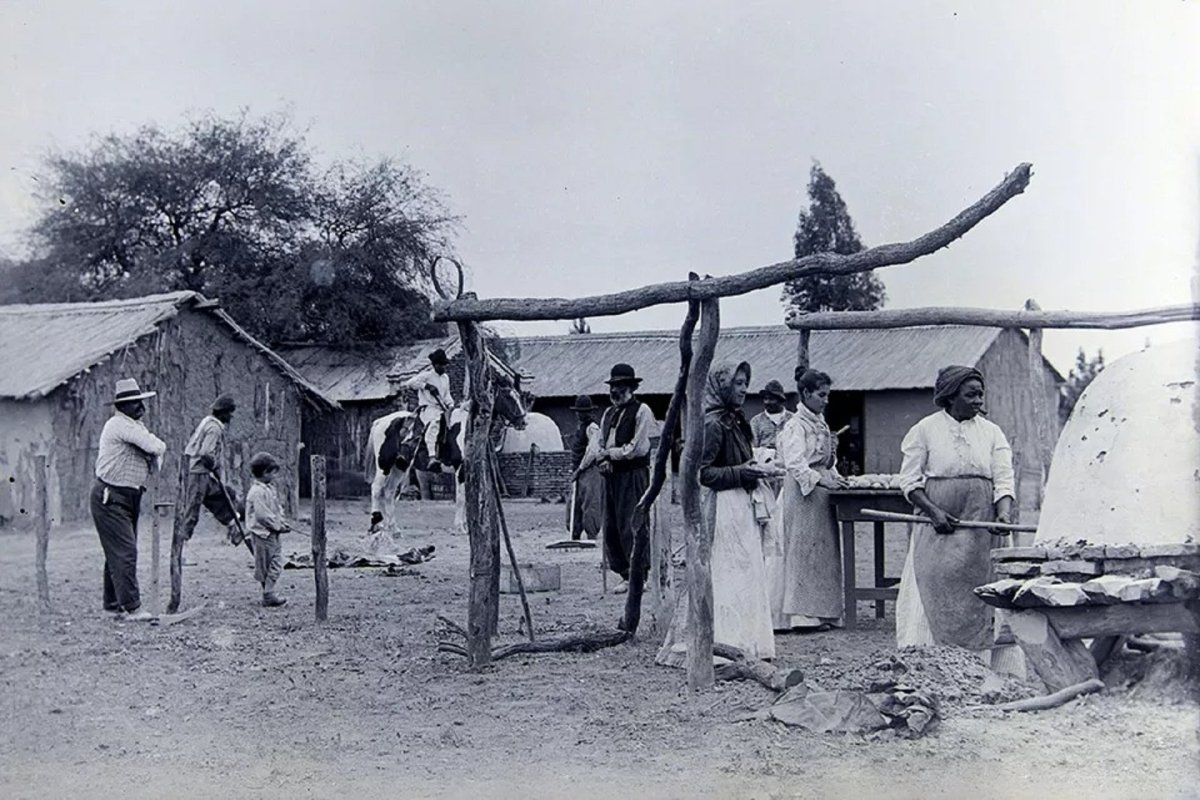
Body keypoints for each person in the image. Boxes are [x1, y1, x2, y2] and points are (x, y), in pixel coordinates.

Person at [656, 362, 779, 665]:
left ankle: (748, 642)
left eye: (745, 383)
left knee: (747, 574)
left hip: (742, 507)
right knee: (727, 575)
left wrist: (756, 468)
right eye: (737, 383)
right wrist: (743, 472)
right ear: (723, 386)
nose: (743, 389)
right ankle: (725, 643)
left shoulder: (736, 421)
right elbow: (703, 473)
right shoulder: (713, 424)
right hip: (723, 509)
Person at [895, 365, 1018, 668]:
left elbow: (1004, 479)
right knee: (935, 582)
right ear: (950, 397)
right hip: (940, 525)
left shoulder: (991, 432)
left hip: (982, 524)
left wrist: (1002, 515)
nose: (978, 401)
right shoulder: (924, 430)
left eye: (980, 394)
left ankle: (986, 665)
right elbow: (909, 481)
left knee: (985, 591)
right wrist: (934, 511)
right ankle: (931, 664)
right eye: (971, 395)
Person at [770, 368, 848, 632]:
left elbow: (825, 461)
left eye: (828, 395)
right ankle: (802, 616)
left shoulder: (820, 422)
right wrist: (818, 479)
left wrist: (835, 474)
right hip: (803, 493)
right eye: (821, 394)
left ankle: (824, 612)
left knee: (823, 552)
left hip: (821, 492)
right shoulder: (795, 425)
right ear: (805, 394)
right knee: (803, 552)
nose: (826, 400)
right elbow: (795, 462)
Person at [91, 378, 167, 621]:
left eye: (140, 402)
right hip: (110, 496)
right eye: (133, 403)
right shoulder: (118, 425)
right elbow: (154, 446)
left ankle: (113, 604)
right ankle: (132, 608)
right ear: (121, 406)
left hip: (130, 495)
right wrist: (156, 447)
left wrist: (155, 449)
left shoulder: (136, 425)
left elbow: (155, 455)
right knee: (124, 551)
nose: (140, 407)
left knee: (118, 551)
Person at [596, 363, 656, 594]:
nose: (615, 391)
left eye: (620, 386)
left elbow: (637, 447)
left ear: (631, 387)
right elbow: (600, 443)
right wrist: (602, 459)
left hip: (633, 474)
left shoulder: (642, 411)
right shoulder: (609, 413)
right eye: (613, 386)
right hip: (611, 475)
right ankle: (624, 573)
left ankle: (640, 574)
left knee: (632, 523)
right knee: (611, 524)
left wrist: (611, 454)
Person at [179, 395, 241, 544]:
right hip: (199, 472)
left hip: (201, 471)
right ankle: (182, 540)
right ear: (223, 412)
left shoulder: (207, 422)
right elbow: (206, 453)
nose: (231, 417)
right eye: (230, 413)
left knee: (220, 498)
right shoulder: (214, 428)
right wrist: (214, 466)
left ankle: (234, 528)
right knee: (193, 507)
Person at [244, 452, 291, 608]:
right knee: (267, 565)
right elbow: (263, 515)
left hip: (272, 533)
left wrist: (281, 522)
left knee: (276, 562)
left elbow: (275, 510)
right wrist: (277, 526)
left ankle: (269, 593)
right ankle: (268, 595)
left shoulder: (268, 489)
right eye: (272, 472)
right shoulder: (257, 492)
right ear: (265, 473)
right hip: (262, 534)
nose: (274, 476)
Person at [404, 348, 454, 472]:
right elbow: (409, 383)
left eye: (445, 365)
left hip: (441, 408)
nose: (444, 367)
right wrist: (426, 386)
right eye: (441, 365)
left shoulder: (445, 378)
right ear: (435, 365)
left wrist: (451, 405)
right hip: (429, 409)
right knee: (434, 425)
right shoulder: (426, 376)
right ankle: (432, 457)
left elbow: (446, 395)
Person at [566, 394, 604, 541]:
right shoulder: (580, 428)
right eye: (578, 412)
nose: (580, 415)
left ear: (589, 412)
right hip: (578, 470)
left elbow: (592, 451)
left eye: (583, 412)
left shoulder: (593, 428)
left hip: (590, 469)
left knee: (590, 502)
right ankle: (574, 533)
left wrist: (580, 469)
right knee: (574, 502)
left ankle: (591, 535)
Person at [750, 380, 793, 450]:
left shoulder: (792, 419)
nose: (767, 402)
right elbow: (753, 448)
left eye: (771, 399)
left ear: (780, 400)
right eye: (765, 399)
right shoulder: (756, 421)